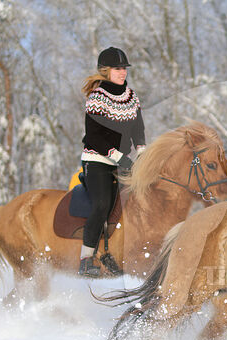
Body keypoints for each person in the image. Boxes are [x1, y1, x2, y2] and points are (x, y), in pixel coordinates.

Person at [78, 46, 146, 277]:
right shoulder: (97, 97)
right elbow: (94, 137)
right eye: (118, 69)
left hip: (121, 161)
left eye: (124, 68)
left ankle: (117, 252)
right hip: (97, 160)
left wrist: (143, 152)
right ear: (106, 71)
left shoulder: (131, 97)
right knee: (102, 205)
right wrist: (119, 157)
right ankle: (86, 258)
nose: (123, 72)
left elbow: (138, 128)